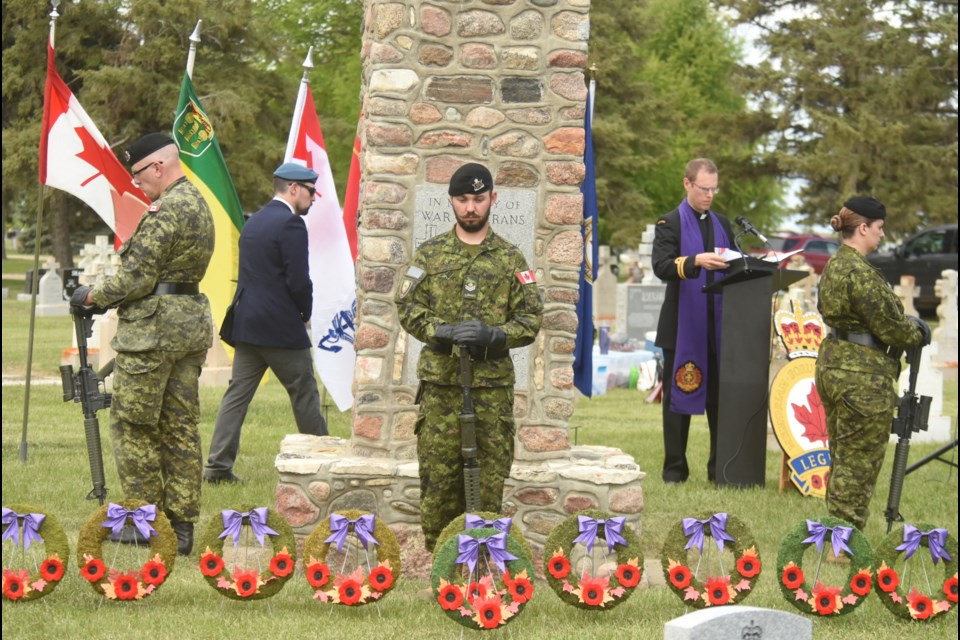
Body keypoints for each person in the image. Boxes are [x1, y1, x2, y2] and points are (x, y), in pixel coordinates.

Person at [70, 133, 214, 555]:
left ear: (158, 167)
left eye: (137, 174)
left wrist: (92, 296)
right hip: (188, 327)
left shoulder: (167, 209)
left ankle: (143, 522)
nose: (136, 184)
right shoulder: (198, 204)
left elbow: (136, 278)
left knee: (133, 424)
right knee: (181, 427)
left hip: (153, 333)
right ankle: (182, 529)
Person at [395, 163, 542, 551]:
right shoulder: (429, 255)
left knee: (490, 478)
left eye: (478, 199)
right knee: (439, 479)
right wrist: (440, 331)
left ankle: (483, 558)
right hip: (442, 387)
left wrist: (495, 335)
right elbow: (408, 307)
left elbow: (530, 319)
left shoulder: (511, 260)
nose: (471, 208)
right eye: (462, 200)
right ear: (451, 202)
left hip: (491, 390)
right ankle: (440, 562)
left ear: (493, 198)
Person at [204, 163, 328, 483]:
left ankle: (217, 466)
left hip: (247, 323)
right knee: (304, 392)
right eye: (311, 192)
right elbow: (299, 281)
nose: (314, 198)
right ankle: (325, 459)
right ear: (294, 189)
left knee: (237, 396)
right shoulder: (291, 224)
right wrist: (304, 313)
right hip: (280, 327)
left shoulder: (255, 221)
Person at [815, 196, 928, 531]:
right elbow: (891, 328)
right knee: (859, 461)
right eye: (879, 228)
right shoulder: (860, 273)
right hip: (862, 377)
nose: (882, 235)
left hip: (835, 366)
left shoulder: (835, 264)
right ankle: (843, 540)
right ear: (862, 227)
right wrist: (918, 330)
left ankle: (835, 529)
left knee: (843, 455)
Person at [652, 158, 733, 484]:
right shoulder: (668, 223)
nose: (709, 195)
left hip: (718, 325)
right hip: (681, 326)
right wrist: (695, 261)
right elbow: (661, 266)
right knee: (676, 401)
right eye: (704, 189)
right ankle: (675, 469)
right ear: (687, 184)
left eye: (714, 189)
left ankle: (720, 470)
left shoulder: (723, 223)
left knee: (720, 400)